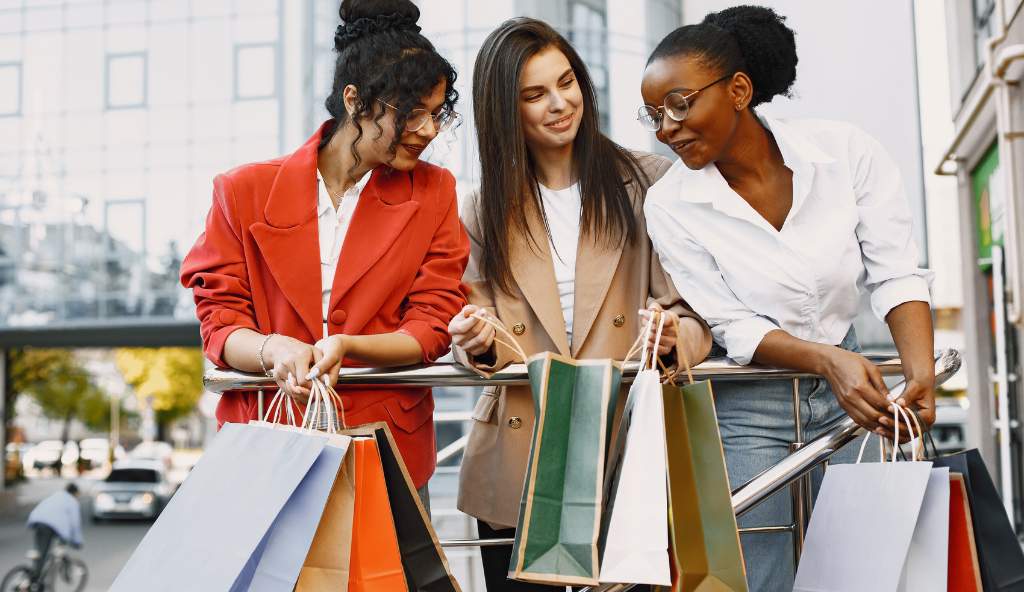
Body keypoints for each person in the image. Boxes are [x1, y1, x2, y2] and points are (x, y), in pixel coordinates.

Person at [639, 5, 935, 591]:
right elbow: (732, 324)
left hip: (859, 393)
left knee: (862, 576)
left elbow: (896, 272)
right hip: (748, 404)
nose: (666, 129)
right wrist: (829, 361)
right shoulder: (669, 205)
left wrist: (920, 374)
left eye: (679, 104)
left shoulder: (845, 153)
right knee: (758, 579)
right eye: (653, 115)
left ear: (739, 90)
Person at [448, 18, 712, 591]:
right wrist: (474, 342)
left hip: (629, 449)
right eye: (534, 94)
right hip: (522, 457)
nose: (560, 103)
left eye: (567, 82)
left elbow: (696, 311)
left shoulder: (648, 184)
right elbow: (477, 331)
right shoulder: (479, 210)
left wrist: (674, 337)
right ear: (504, 110)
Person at [180, 0, 469, 504]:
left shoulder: (435, 192)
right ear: (354, 100)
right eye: (413, 113)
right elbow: (220, 323)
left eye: (437, 113)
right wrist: (274, 351)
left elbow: (433, 323)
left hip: (389, 451)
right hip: (269, 448)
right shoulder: (241, 192)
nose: (429, 130)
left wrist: (349, 347)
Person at [26, 483, 82, 576]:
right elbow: (75, 524)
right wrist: (77, 541)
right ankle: (34, 579)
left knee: (40, 551)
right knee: (45, 552)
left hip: (36, 521)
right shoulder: (72, 501)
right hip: (51, 526)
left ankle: (35, 576)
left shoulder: (56, 495)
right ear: (75, 493)